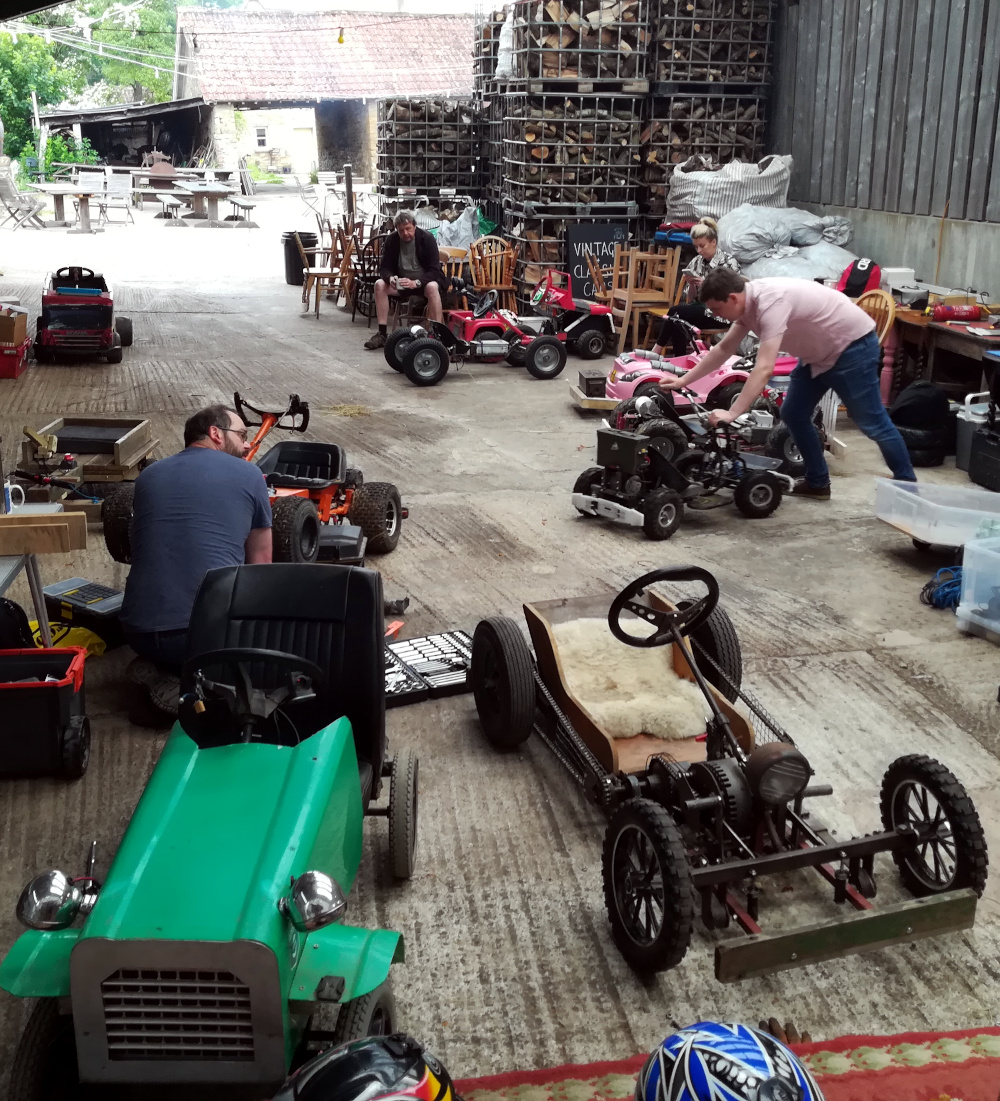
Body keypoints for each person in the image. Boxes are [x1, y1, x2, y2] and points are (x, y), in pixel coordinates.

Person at [659, 269, 916, 498]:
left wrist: (733, 412)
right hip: (818, 355)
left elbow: (764, 368)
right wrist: (683, 380)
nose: (715, 315)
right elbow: (724, 349)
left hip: (852, 348)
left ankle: (908, 489)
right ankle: (818, 483)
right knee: (793, 414)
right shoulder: (746, 306)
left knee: (873, 423)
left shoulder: (771, 302)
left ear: (733, 298)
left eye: (716, 309)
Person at [121, 403, 273, 714]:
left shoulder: (149, 475)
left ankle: (162, 669)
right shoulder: (250, 474)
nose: (247, 446)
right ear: (216, 433)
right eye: (242, 435)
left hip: (138, 631)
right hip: (203, 635)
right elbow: (261, 562)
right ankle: (197, 687)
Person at [651, 217, 740, 357]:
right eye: (696, 246)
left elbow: (733, 297)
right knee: (677, 317)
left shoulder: (728, 263)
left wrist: (707, 285)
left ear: (713, 242)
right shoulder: (697, 261)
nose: (699, 250)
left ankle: (659, 350)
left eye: (702, 246)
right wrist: (692, 284)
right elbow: (692, 298)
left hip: (720, 313)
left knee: (675, 312)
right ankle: (679, 356)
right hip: (701, 309)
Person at [364, 211, 447, 350]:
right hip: (402, 283)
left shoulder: (427, 238)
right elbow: (384, 267)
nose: (405, 233)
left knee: (432, 287)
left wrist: (416, 282)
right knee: (379, 285)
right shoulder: (392, 240)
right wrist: (390, 278)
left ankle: (437, 335)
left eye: (408, 229)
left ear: (414, 225)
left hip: (424, 283)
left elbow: (434, 270)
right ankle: (382, 334)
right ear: (396, 229)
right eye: (401, 230)